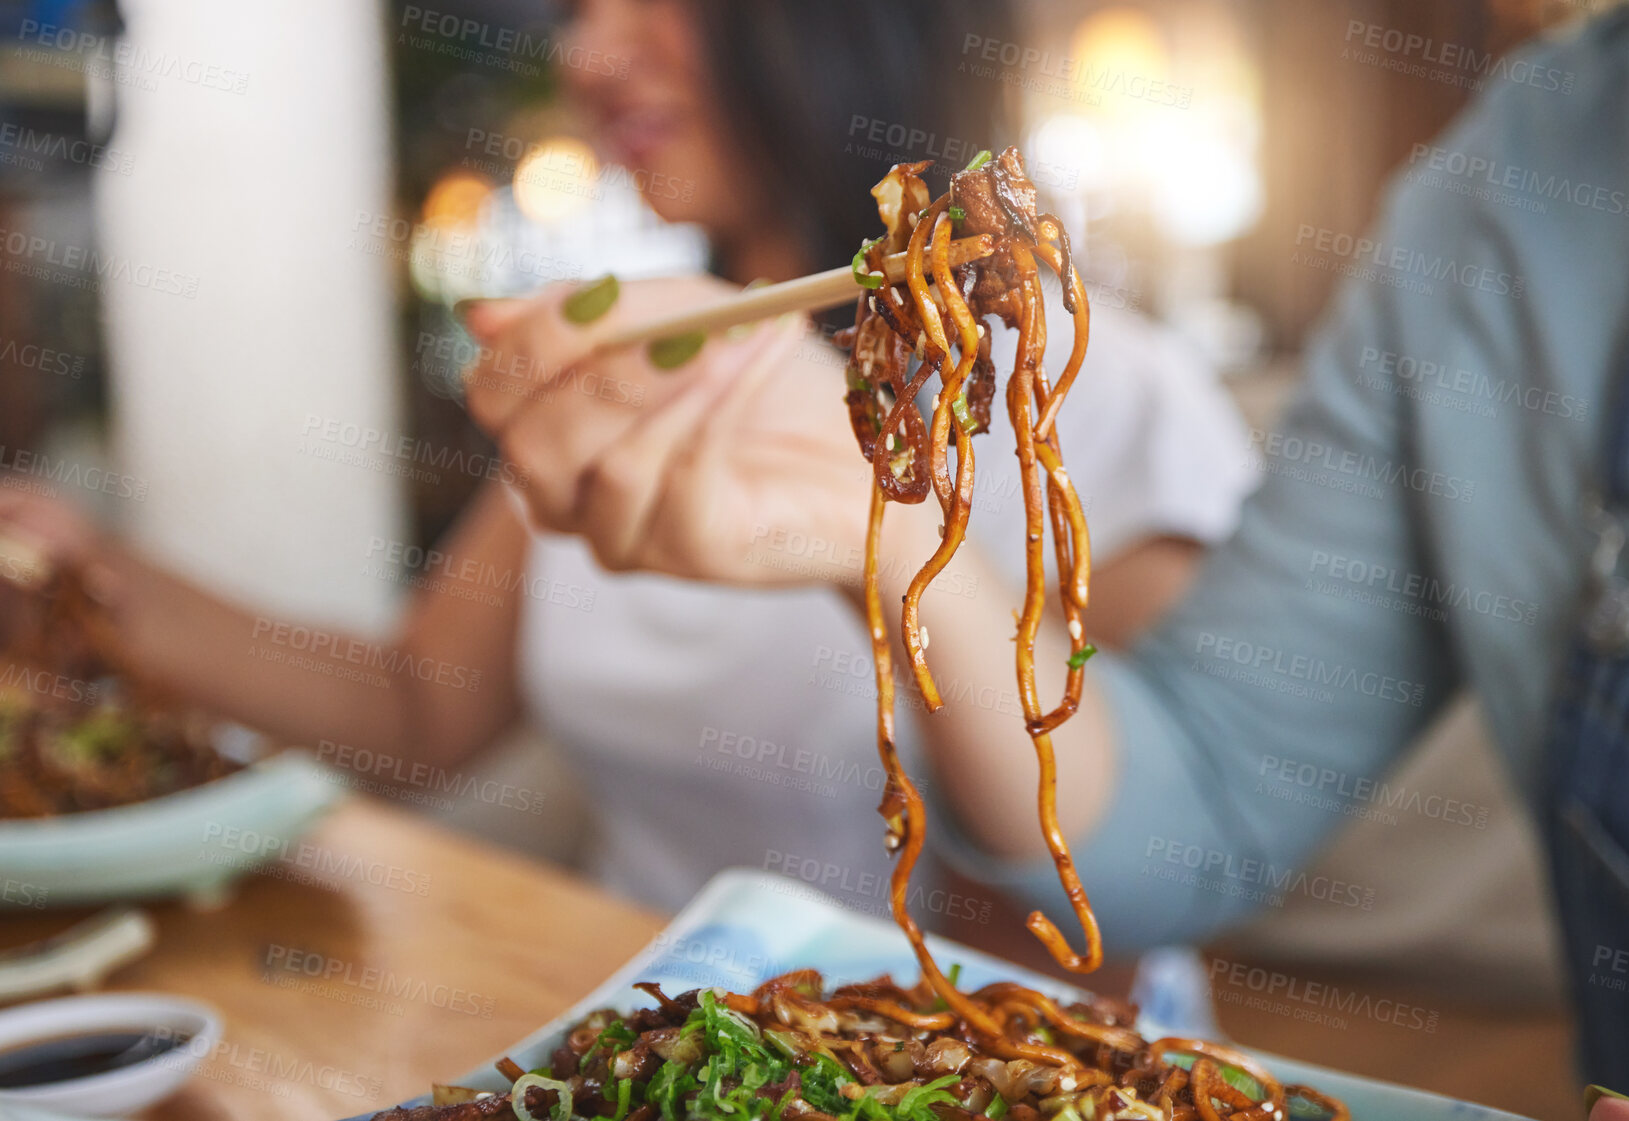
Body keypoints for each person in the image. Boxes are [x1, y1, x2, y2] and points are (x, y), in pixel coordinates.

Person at [455, 0, 1629, 1107]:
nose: (584, 51)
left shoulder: (1131, 394)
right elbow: (1187, 804)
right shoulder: (1528, 177)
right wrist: (888, 523)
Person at [0, 0, 1254, 927]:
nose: (588, 55)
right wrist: (87, 568)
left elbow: (1123, 893)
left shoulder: (1111, 396)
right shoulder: (642, 352)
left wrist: (868, 532)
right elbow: (419, 708)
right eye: (580, 9)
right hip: (631, 1039)